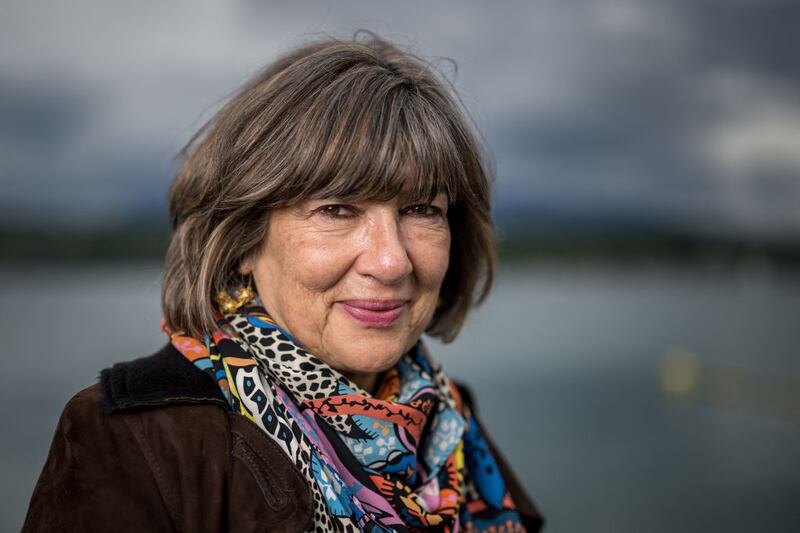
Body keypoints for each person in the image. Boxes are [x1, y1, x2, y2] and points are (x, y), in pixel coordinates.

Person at [23, 32, 544, 532]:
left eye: (420, 209)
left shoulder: (447, 423)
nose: (391, 262)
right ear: (244, 240)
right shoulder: (137, 439)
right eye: (336, 209)